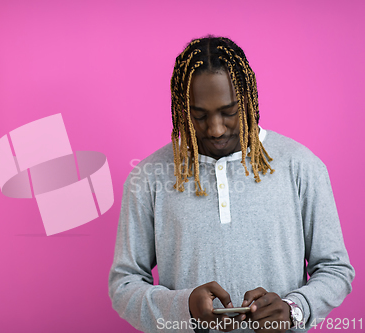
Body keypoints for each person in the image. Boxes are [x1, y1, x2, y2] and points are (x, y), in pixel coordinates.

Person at [108, 35, 355, 333]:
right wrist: (184, 307)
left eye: (229, 112)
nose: (215, 128)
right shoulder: (148, 177)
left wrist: (294, 309)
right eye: (199, 115)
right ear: (182, 110)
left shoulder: (301, 165)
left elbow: (335, 269)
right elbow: (124, 285)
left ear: (249, 100)